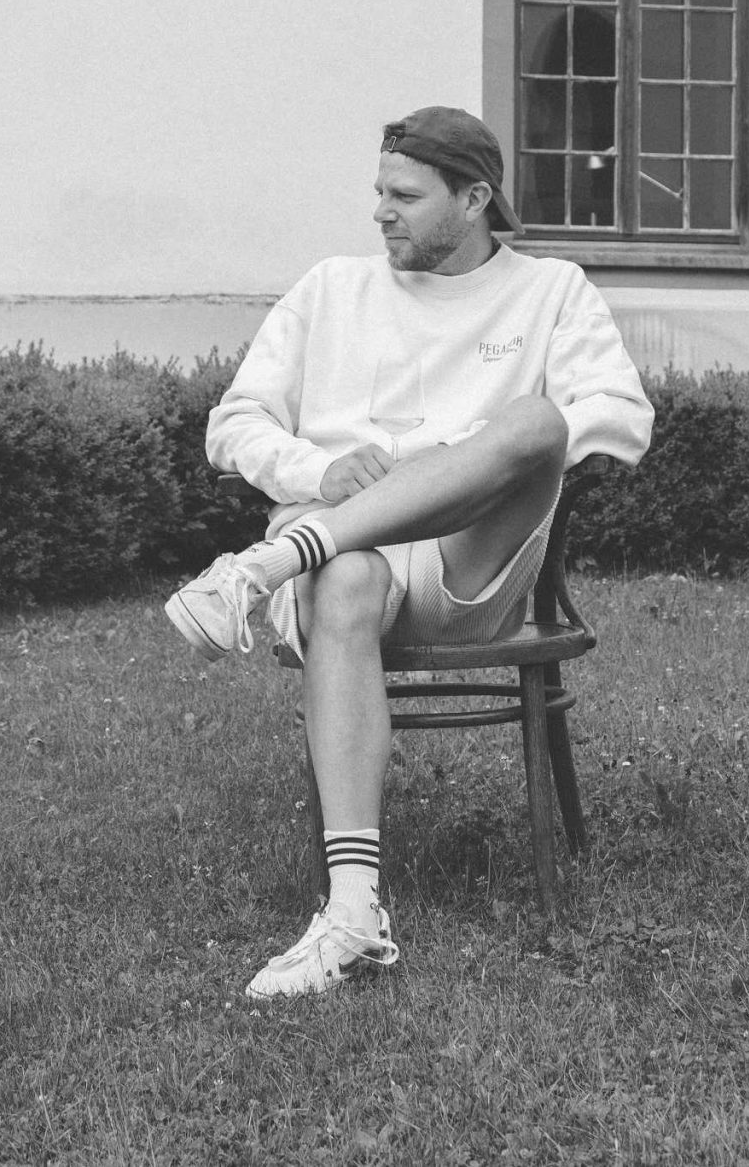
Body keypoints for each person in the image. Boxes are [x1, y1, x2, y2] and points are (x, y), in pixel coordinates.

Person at [164, 105, 653, 999]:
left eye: (406, 195)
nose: (381, 212)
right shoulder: (331, 289)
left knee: (536, 422)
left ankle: (264, 565)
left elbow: (620, 418)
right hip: (346, 575)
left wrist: (457, 464)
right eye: (379, 191)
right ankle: (353, 912)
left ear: (475, 199)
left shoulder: (551, 291)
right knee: (348, 573)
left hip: (465, 567)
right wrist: (317, 468)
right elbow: (234, 422)